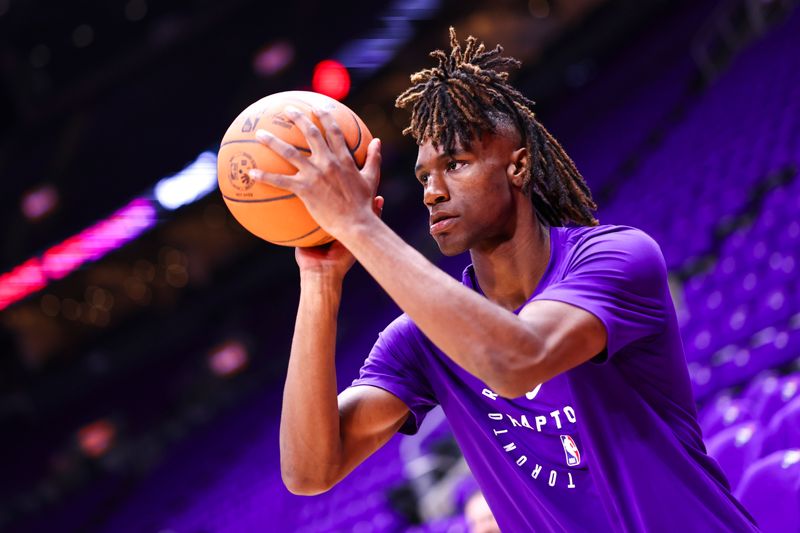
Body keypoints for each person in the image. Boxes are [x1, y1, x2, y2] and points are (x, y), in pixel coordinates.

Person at [248, 29, 758, 531]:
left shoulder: (616, 258)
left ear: (519, 165)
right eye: (425, 175)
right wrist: (320, 280)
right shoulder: (421, 339)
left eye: (456, 164)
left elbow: (518, 361)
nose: (432, 191)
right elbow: (309, 472)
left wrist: (358, 226)